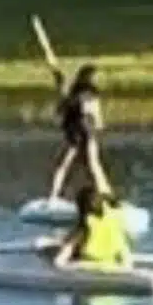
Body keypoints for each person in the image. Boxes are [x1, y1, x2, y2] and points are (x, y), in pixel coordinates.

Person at [47, 62, 113, 201]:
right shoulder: (82, 94)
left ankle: (53, 196)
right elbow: (93, 114)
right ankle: (107, 195)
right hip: (82, 133)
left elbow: (86, 111)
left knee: (80, 165)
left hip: (80, 133)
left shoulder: (78, 94)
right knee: (92, 165)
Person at [53, 184, 132, 271]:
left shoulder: (87, 223)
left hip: (88, 264)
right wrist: (127, 265)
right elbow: (122, 246)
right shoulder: (115, 215)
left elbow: (62, 258)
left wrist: (61, 262)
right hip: (110, 262)